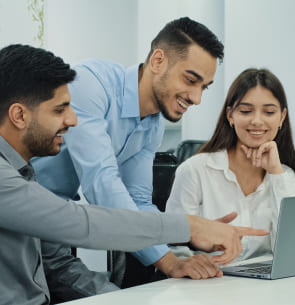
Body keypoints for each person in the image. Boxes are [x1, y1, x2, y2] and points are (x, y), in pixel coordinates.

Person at [0, 44, 269, 305]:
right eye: (60, 110)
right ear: (19, 115)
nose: (72, 120)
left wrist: (159, 270)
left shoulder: (152, 126)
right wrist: (189, 228)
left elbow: (59, 263)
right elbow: (89, 207)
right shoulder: (92, 85)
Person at [31, 16, 228, 288]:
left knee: (109, 294)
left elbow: (138, 200)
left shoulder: (152, 125)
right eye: (191, 80)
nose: (196, 98)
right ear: (158, 61)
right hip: (21, 215)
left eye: (204, 87)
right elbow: (102, 184)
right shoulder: (89, 84)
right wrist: (178, 246)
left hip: (53, 224)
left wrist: (176, 254)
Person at [166, 68, 295, 262]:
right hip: (208, 282)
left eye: (269, 112)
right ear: (230, 115)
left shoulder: (285, 177)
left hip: (267, 286)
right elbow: (171, 244)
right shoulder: (194, 170)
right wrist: (195, 251)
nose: (257, 121)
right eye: (246, 111)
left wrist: (276, 173)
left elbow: (294, 250)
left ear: (281, 117)